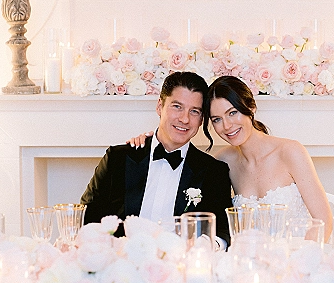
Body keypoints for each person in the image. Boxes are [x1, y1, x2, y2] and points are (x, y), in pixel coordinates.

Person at [129, 75, 332, 240]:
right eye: (217, 119)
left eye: (232, 113)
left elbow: (324, 222)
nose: (226, 126)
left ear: (250, 108)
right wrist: (149, 143)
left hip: (298, 259)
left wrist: (296, 266)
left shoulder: (290, 152)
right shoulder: (223, 161)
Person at [81, 71, 232, 248]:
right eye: (177, 107)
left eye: (194, 111)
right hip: (122, 265)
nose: (185, 119)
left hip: (180, 267)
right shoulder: (118, 159)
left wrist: (201, 247)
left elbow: (223, 232)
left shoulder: (214, 171)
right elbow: (87, 216)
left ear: (201, 120)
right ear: (160, 106)